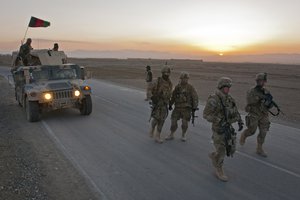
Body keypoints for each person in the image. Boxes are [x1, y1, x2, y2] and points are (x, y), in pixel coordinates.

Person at [203, 77, 243, 182]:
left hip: (228, 128)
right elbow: (206, 115)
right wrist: (218, 120)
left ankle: (214, 156)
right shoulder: (214, 99)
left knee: (230, 149)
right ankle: (219, 169)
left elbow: (235, 111)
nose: (228, 89)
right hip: (218, 129)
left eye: (229, 87)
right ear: (221, 87)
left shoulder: (229, 99)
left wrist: (240, 121)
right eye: (226, 87)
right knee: (221, 151)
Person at [240, 73, 272, 157]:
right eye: (259, 81)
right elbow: (250, 101)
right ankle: (244, 135)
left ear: (264, 82)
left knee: (263, 132)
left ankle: (259, 149)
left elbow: (270, 104)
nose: (260, 82)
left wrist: (268, 102)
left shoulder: (266, 91)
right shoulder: (252, 91)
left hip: (264, 114)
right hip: (254, 114)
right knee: (252, 131)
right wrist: (261, 98)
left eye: (262, 81)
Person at [165, 72, 198, 142]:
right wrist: (170, 104)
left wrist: (194, 107)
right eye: (183, 78)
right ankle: (171, 134)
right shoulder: (177, 87)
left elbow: (195, 97)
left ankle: (183, 135)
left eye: (186, 79)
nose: (184, 80)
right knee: (173, 122)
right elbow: (173, 96)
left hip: (186, 108)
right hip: (177, 107)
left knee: (184, 123)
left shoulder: (190, 87)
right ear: (181, 79)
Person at [149, 66, 173, 143]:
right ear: (162, 73)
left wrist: (170, 104)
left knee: (162, 120)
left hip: (164, 105)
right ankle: (152, 128)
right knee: (156, 119)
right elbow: (149, 90)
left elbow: (170, 94)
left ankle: (157, 136)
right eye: (165, 73)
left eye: (168, 73)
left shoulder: (170, 84)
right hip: (157, 104)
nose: (166, 74)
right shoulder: (157, 81)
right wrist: (152, 97)